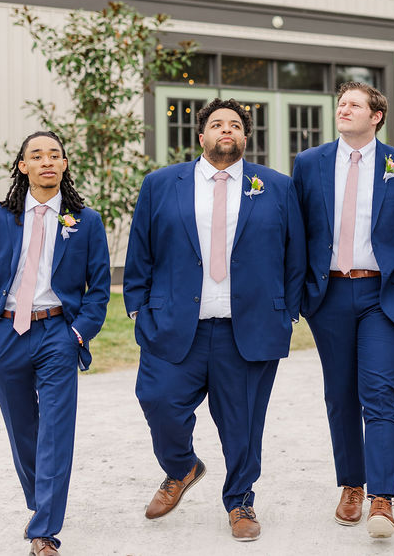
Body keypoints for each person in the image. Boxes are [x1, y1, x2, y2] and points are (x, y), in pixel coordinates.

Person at [124, 99, 306, 541]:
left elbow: (294, 254)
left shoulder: (276, 186)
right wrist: (139, 306)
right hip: (174, 325)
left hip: (248, 327)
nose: (227, 130)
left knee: (243, 423)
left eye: (236, 125)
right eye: (217, 124)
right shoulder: (162, 184)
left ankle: (241, 500)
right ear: (201, 136)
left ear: (246, 137)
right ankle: (181, 467)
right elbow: (141, 251)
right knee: (159, 401)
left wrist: (287, 312)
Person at [291, 81, 394, 539]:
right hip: (328, 296)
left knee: (380, 394)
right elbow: (296, 229)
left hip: (383, 296)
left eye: (354, 104)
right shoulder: (309, 164)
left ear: (376, 116)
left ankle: (382, 498)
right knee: (340, 394)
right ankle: (351, 484)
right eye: (341, 103)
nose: (344, 109)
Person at [0, 130, 111, 556]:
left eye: (55, 155)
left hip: (56, 334)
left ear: (64, 165)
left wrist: (76, 334)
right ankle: (41, 507)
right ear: (23, 166)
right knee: (23, 432)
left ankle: (44, 531)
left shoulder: (86, 221)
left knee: (55, 433)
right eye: (37, 155)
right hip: (7, 334)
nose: (47, 161)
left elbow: (99, 290)